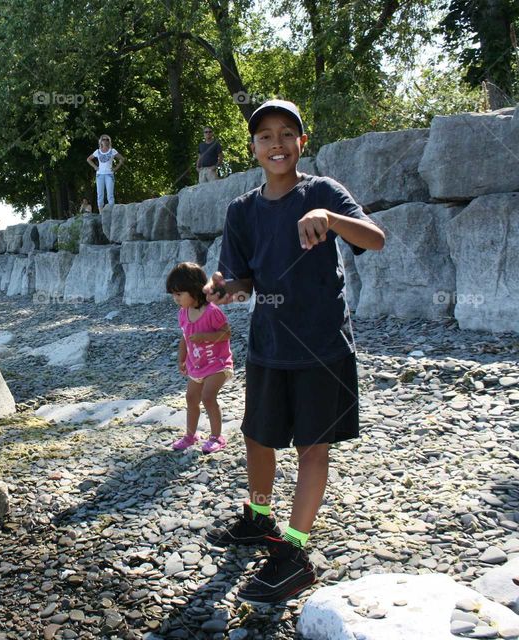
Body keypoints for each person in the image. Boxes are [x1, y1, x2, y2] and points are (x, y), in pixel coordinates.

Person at [203, 100, 385, 605]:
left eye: (287, 134)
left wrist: (330, 218)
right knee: (257, 438)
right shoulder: (241, 210)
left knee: (311, 447)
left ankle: (295, 553)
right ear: (253, 146)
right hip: (269, 344)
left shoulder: (322, 191)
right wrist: (225, 290)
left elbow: (375, 238)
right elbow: (242, 282)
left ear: (302, 142)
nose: (276, 143)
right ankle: (258, 518)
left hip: (322, 345)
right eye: (265, 136)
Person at [166, 262, 233, 453]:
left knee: (208, 396)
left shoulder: (212, 312)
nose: (175, 299)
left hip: (218, 363)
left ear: (195, 290)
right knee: (191, 398)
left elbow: (226, 333)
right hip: (197, 364)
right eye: (173, 294)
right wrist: (181, 359)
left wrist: (205, 337)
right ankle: (190, 435)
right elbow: (184, 338)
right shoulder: (183, 313)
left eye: (179, 294)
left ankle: (216, 437)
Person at [87, 134, 125, 210]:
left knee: (110, 195)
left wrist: (116, 168)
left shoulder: (112, 151)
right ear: (100, 141)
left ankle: (111, 212)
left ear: (109, 141)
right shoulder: (97, 151)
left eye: (107, 139)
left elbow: (122, 159)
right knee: (100, 195)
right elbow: (88, 159)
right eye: (103, 139)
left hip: (109, 175)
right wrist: (95, 166)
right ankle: (101, 214)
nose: (105, 141)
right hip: (99, 175)